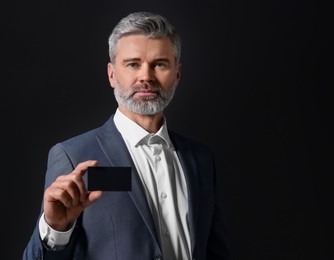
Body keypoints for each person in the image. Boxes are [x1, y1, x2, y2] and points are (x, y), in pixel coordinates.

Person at [23, 11, 232, 260]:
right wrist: (55, 229)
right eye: (133, 64)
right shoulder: (75, 157)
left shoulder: (200, 160)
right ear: (112, 74)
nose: (146, 76)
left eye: (160, 64)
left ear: (177, 73)